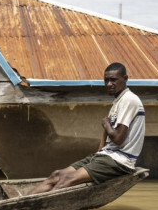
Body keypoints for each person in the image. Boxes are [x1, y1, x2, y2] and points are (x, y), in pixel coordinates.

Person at [29, 62, 145, 194]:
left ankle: (37, 208)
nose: (108, 84)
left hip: (119, 161)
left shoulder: (129, 99)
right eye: (106, 80)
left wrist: (106, 123)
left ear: (125, 79)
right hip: (106, 156)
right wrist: (98, 153)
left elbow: (118, 138)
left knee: (67, 180)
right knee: (56, 175)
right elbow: (106, 137)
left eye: (114, 80)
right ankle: (22, 202)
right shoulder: (118, 101)